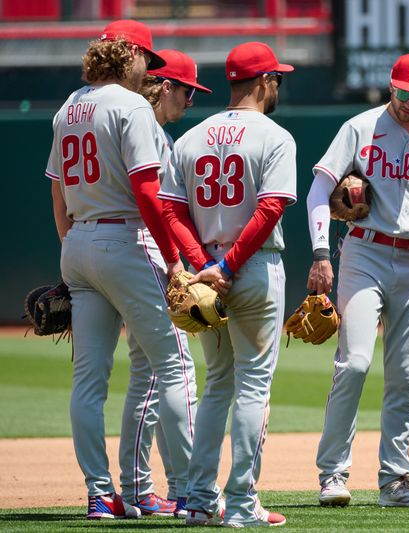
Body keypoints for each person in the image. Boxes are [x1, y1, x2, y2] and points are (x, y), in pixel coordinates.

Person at [304, 52, 409, 508]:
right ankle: (333, 474)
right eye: (403, 91)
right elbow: (320, 188)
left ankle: (395, 481)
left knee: (407, 374)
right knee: (354, 363)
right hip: (365, 250)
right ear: (389, 84)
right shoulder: (359, 128)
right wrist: (321, 252)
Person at [45, 19, 196, 520]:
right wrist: (173, 260)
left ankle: (100, 494)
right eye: (146, 61)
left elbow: (57, 192)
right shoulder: (130, 106)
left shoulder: (68, 106)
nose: (148, 71)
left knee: (89, 381)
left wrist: (75, 252)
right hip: (125, 238)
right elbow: (148, 192)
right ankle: (191, 491)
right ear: (128, 54)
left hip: (80, 241)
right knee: (173, 365)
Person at [159, 41, 295, 527]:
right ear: (264, 82)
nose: (278, 84)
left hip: (206, 275)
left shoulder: (192, 137)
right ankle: (240, 504)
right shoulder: (276, 136)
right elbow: (271, 209)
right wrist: (230, 267)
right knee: (254, 385)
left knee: (217, 384)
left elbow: (170, 210)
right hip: (254, 269)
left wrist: (203, 265)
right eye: (277, 77)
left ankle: (197, 500)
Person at [117, 49, 211, 518]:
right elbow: (158, 206)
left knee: (148, 375)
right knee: (176, 370)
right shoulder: (146, 129)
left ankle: (135, 490)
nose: (192, 101)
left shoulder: (134, 124)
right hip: (145, 252)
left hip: (111, 248)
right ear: (165, 86)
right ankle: (190, 488)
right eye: (189, 91)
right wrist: (183, 261)